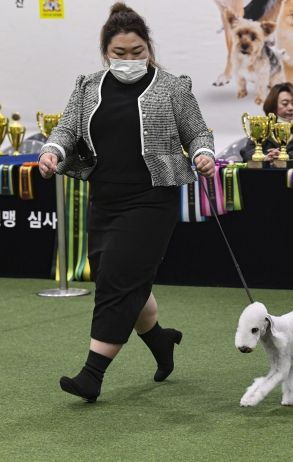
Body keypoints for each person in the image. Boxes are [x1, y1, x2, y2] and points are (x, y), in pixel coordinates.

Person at [38, 3, 216, 402]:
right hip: (105, 196)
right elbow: (66, 128)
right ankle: (161, 341)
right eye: (120, 53)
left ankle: (92, 375)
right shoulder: (88, 86)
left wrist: (203, 153)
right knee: (119, 281)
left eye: (137, 52)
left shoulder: (173, 86)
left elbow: (198, 133)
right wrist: (53, 151)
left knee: (118, 280)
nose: (129, 59)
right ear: (106, 51)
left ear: (148, 48)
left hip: (152, 199)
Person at [241, 82, 293, 163]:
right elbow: (247, 152)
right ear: (273, 105)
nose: (290, 108)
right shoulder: (264, 125)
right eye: (285, 104)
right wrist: (266, 156)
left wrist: (286, 156)